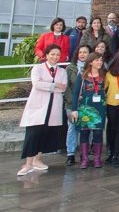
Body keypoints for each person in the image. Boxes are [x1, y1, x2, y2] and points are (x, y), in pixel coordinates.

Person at [18, 45, 68, 176]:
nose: (55, 57)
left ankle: (37, 160)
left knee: (46, 135)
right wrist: (54, 85)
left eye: (57, 55)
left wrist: (49, 85)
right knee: (33, 135)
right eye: (52, 54)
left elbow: (63, 88)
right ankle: (28, 164)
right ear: (46, 55)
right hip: (38, 108)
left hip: (53, 108)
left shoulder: (62, 71)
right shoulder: (38, 68)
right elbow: (37, 84)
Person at [70, 52, 107, 169]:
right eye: (97, 60)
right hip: (84, 108)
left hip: (99, 108)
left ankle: (97, 158)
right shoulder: (82, 75)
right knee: (84, 133)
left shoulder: (104, 75)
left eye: (101, 60)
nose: (100, 62)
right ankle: (84, 158)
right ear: (90, 62)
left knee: (98, 132)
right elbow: (75, 93)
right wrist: (74, 109)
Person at [63, 45, 91, 166]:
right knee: (72, 128)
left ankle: (84, 153)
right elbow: (66, 86)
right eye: (80, 52)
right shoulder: (71, 68)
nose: (82, 54)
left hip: (87, 104)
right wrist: (73, 99)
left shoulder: (92, 68)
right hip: (72, 104)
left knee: (87, 128)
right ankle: (70, 154)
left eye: (85, 52)